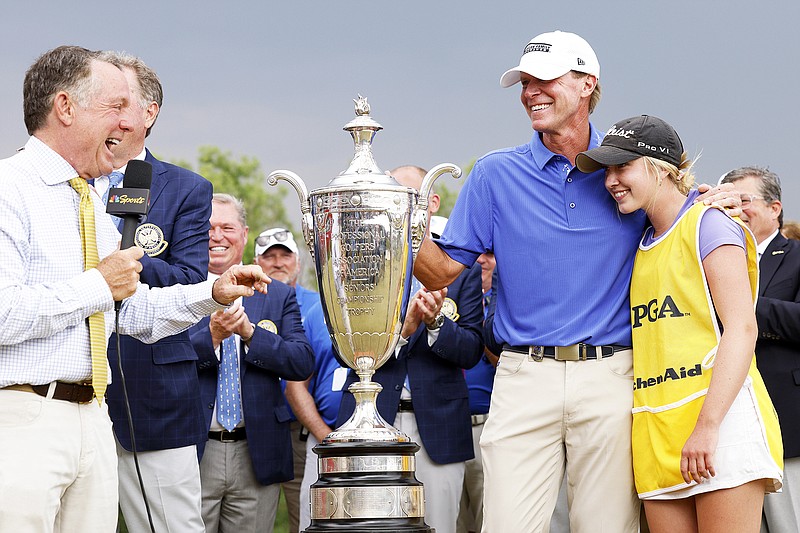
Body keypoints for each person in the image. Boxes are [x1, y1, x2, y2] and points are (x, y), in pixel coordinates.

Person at [412, 31, 738, 532]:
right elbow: (442, 273)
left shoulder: (627, 170)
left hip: (613, 375)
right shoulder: (494, 174)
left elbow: (682, 213)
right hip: (523, 377)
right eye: (524, 82)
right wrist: (391, 230)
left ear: (587, 84)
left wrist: (717, 201)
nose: (530, 92)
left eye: (544, 79)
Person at [0, 46, 268, 532]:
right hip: (22, 417)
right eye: (115, 107)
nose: (131, 122)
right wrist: (97, 284)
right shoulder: (7, 189)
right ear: (65, 108)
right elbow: (4, 315)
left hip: (92, 419)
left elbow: (133, 313)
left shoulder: (83, 201)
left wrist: (214, 292)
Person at [576, 115, 783, 531]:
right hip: (658, 437)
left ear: (661, 168)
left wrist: (708, 428)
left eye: (623, 167)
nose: (611, 180)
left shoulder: (710, 223)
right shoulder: (640, 242)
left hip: (719, 428)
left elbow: (743, 330)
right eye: (608, 170)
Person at [95, 51, 214, 533]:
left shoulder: (185, 188)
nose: (110, 117)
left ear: (149, 113)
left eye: (118, 103)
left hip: (153, 392)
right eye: (100, 103)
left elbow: (191, 279)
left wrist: (122, 262)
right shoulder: (68, 183)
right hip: (70, 389)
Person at [337, 165, 484, 533]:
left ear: (431, 202)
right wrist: (404, 330)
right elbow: (343, 349)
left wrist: (436, 324)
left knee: (440, 526)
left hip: (440, 425)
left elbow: (472, 351)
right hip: (373, 419)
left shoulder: (460, 269)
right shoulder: (360, 263)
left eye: (408, 197)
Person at [190, 194, 314, 532]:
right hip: (195, 449)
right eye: (208, 228)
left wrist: (249, 333)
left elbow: (301, 362)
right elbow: (163, 359)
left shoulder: (276, 293)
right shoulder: (179, 288)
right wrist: (212, 338)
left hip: (256, 451)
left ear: (244, 235)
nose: (217, 236)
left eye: (226, 227)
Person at [720, 167, 800, 533]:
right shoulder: (716, 256)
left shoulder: (796, 256)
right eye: (730, 202)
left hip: (787, 427)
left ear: (775, 208)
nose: (737, 209)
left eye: (745, 200)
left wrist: (741, 305)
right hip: (730, 430)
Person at [254, 226, 319, 532]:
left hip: (298, 427)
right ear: (256, 262)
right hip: (253, 424)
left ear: (298, 263)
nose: (278, 263)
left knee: (303, 515)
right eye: (270, 257)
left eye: (285, 256)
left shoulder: (318, 307)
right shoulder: (244, 297)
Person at [287, 303, 343, 532]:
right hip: (322, 442)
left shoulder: (390, 304)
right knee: (317, 525)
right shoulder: (317, 312)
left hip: (378, 446)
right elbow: (295, 387)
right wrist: (327, 439)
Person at [456, 251, 497, 533]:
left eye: (490, 253)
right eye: (475, 253)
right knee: (453, 521)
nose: (481, 259)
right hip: (447, 426)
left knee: (491, 520)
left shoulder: (505, 302)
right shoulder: (449, 298)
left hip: (490, 424)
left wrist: (479, 335)